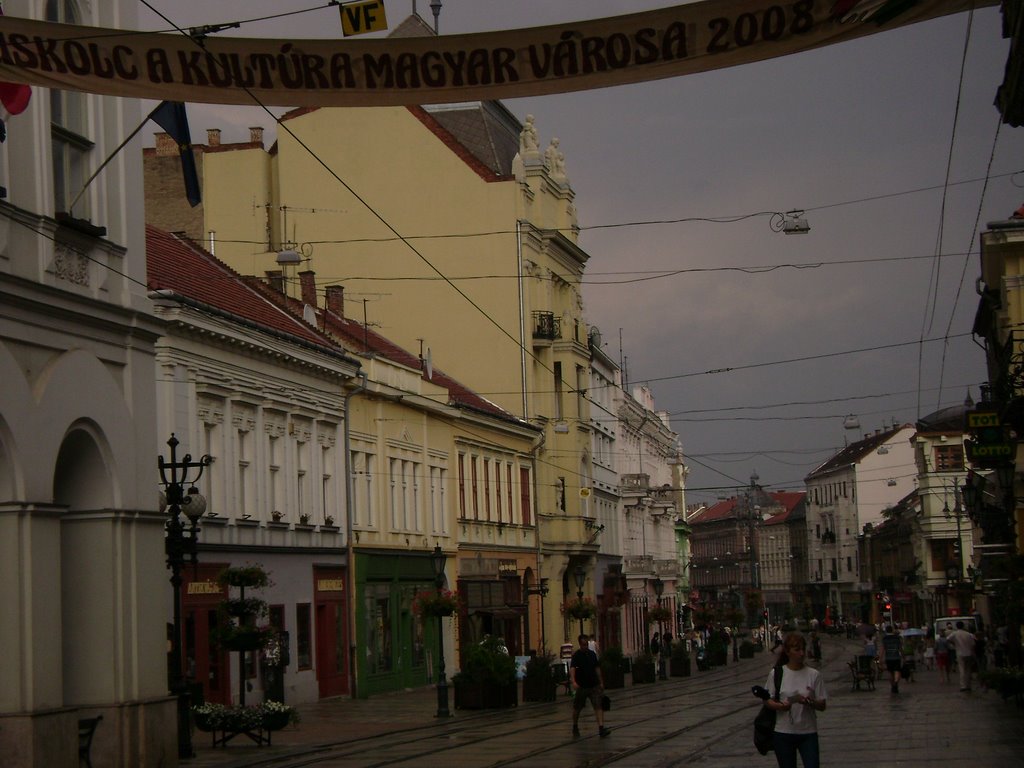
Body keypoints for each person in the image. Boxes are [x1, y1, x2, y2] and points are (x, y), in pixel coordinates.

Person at [762, 632, 827, 768]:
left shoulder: (814, 675)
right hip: (783, 732)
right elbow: (767, 700)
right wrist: (780, 706)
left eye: (803, 649)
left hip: (808, 732)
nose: (801, 653)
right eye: (797, 650)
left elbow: (822, 704)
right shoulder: (777, 673)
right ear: (787, 651)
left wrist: (810, 702)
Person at [569, 634, 609, 738]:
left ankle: (601, 728)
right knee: (577, 708)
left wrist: (601, 682)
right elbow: (572, 668)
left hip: (593, 684)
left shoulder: (592, 654)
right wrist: (573, 681)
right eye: (583, 645)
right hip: (582, 686)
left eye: (586, 644)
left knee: (598, 705)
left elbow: (597, 668)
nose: (585, 647)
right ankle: (575, 726)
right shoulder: (576, 656)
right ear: (580, 644)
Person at [948, 620, 976, 692]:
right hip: (968, 653)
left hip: (960, 653)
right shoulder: (969, 634)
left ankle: (963, 685)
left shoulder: (955, 634)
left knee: (962, 669)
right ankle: (968, 685)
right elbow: (973, 644)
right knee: (968, 670)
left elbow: (948, 639)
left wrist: (954, 643)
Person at [880, 625, 903, 693]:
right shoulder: (897, 638)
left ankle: (892, 685)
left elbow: (883, 649)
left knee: (890, 672)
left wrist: (880, 658)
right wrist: (903, 657)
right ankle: (896, 682)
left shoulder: (885, 639)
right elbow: (900, 648)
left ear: (886, 630)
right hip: (896, 657)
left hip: (888, 657)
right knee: (897, 671)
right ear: (892, 630)